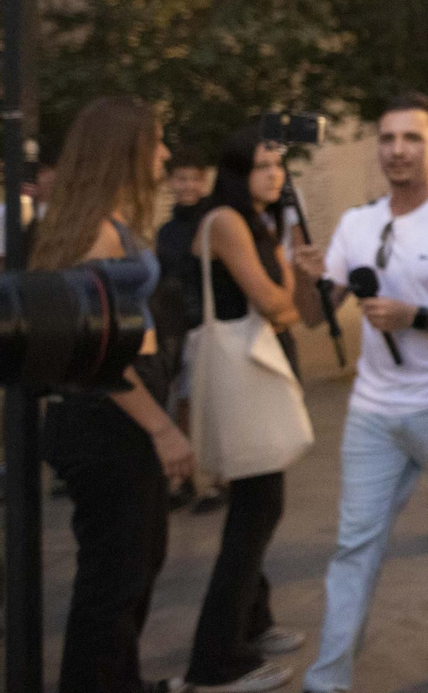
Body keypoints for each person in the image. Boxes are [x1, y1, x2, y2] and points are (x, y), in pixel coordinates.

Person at [294, 93, 428, 693]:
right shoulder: (357, 223)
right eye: (387, 138)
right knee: (354, 547)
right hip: (372, 416)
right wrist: (305, 278)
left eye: (412, 138)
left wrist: (418, 317)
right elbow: (314, 316)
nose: (397, 149)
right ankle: (326, 682)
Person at [34, 97, 192, 693]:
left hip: (123, 402)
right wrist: (161, 426)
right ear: (123, 150)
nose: (166, 154)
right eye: (156, 143)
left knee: (136, 563)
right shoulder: (93, 233)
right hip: (110, 410)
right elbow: (95, 353)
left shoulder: (110, 223)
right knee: (113, 578)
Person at [184, 126, 304, 693]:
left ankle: (253, 625)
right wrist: (287, 271)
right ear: (238, 171)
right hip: (240, 367)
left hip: (254, 367)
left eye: (279, 166)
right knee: (256, 510)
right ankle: (216, 660)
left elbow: (288, 308)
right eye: (262, 166)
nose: (275, 175)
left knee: (256, 505)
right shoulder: (227, 223)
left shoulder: (253, 220)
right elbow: (276, 303)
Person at [155, 145, 220, 511]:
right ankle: (182, 477)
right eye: (181, 178)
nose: (188, 186)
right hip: (174, 325)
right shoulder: (166, 230)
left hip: (205, 324)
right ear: (171, 183)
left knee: (200, 402)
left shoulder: (212, 222)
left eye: (195, 179)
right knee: (180, 401)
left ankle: (209, 481)